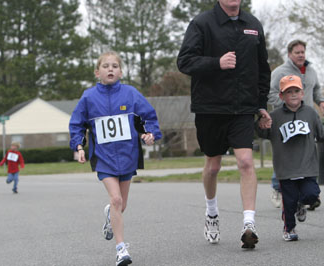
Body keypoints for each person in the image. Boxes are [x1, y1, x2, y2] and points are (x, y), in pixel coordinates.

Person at [177, 0, 271, 249]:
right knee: (214, 166)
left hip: (243, 109)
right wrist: (216, 63)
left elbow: (263, 69)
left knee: (246, 161)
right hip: (211, 108)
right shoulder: (201, 23)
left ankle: (249, 224)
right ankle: (211, 213)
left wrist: (261, 104)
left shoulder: (253, 25)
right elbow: (184, 61)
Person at [69, 51, 161, 266]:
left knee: (122, 205)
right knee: (116, 200)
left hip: (128, 154)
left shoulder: (131, 94)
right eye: (105, 66)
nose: (110, 69)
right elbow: (77, 124)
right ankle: (121, 249)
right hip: (104, 157)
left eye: (114, 66)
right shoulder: (88, 97)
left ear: (120, 72)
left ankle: (111, 216)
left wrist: (151, 134)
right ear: (97, 72)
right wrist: (79, 146)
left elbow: (148, 116)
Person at [256, 75, 322, 241]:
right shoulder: (275, 116)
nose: (293, 94)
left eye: (296, 91)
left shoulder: (311, 113)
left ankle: (302, 204)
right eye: (288, 91)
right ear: (281, 96)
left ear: (302, 93)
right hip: (286, 168)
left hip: (307, 167)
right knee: (289, 202)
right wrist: (260, 123)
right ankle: (289, 228)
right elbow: (263, 132)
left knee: (312, 195)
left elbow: (321, 134)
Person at [268, 40, 324, 210]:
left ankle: (309, 193)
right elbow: (270, 94)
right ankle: (278, 187)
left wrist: (320, 101)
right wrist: (287, 105)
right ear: (289, 54)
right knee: (287, 154)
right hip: (286, 118)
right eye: (297, 52)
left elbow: (316, 90)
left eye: (303, 52)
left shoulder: (311, 71)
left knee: (307, 153)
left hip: (307, 118)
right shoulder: (280, 72)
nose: (301, 55)